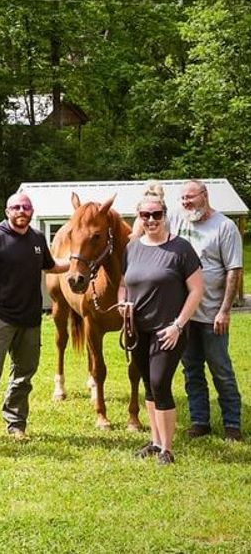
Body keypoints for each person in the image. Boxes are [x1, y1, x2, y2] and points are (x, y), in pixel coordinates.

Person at [0, 192, 68, 447]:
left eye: (26, 207)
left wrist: (76, 261)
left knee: (24, 376)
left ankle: (16, 424)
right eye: (16, 207)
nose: (21, 211)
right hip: (0, 318)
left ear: (32, 211)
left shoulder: (37, 238)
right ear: (7, 211)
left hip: (30, 320)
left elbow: (51, 266)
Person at [119, 183, 204, 464]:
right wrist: (122, 304)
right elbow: (123, 285)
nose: (151, 220)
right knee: (148, 383)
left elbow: (196, 290)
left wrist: (179, 325)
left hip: (168, 330)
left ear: (165, 215)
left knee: (160, 382)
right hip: (138, 330)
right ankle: (155, 442)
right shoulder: (132, 248)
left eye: (156, 215)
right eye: (145, 215)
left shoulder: (181, 248)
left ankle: (168, 448)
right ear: (139, 217)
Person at [172, 180, 244, 442]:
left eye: (190, 197)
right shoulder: (178, 221)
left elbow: (234, 270)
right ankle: (200, 421)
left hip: (213, 315)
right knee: (191, 370)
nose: (186, 203)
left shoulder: (224, 226)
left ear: (205, 195)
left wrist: (225, 310)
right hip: (186, 315)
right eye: (183, 199)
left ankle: (232, 424)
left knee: (221, 370)